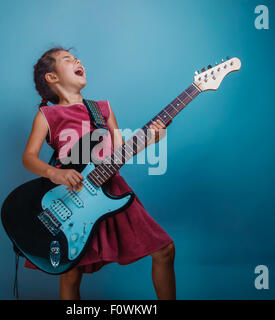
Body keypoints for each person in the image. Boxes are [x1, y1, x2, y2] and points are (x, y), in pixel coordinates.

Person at [22, 46, 175, 300]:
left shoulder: (102, 108)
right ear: (52, 77)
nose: (77, 60)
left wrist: (150, 140)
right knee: (70, 273)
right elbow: (28, 158)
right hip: (70, 197)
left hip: (111, 191)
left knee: (165, 250)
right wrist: (55, 174)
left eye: (76, 58)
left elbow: (120, 152)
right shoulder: (46, 115)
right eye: (68, 59)